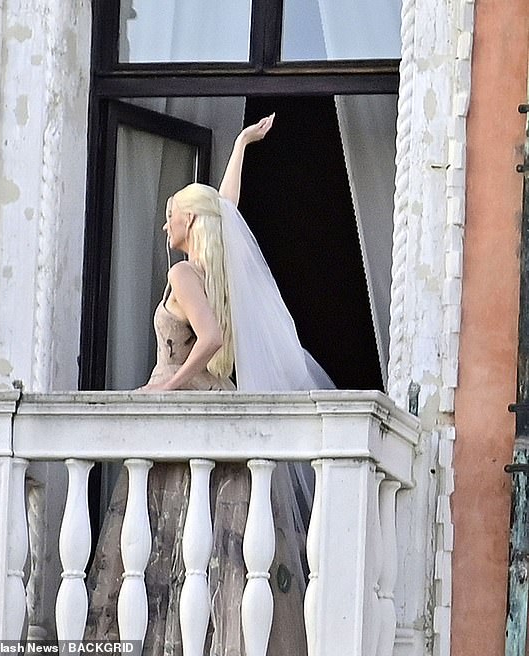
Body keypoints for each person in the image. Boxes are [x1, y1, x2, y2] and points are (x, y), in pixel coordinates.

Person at [84, 114, 333, 655]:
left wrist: (166, 388)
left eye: (170, 215)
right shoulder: (215, 270)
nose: (164, 224)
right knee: (210, 533)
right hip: (210, 395)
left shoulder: (183, 275)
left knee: (167, 527)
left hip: (185, 396)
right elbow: (226, 208)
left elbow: (212, 336)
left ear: (188, 223)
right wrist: (241, 144)